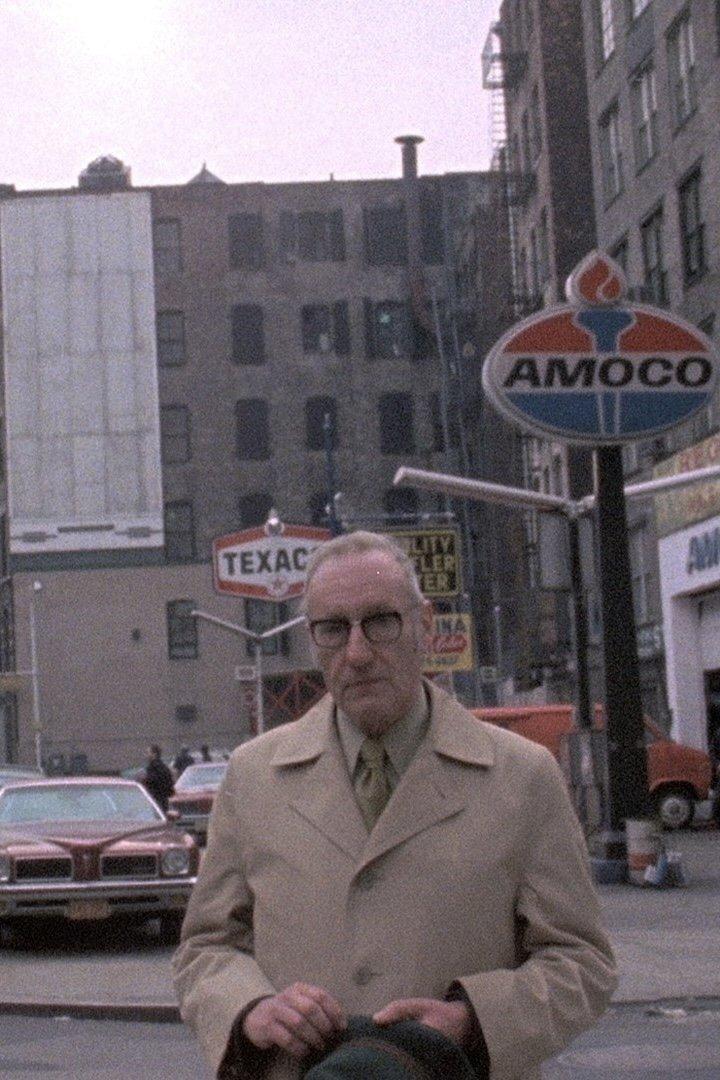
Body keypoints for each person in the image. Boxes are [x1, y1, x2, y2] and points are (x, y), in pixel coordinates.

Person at [173, 531, 617, 1080]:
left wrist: (475, 1020)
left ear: (425, 625)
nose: (357, 653)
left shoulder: (522, 776)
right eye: (333, 629)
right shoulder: (253, 778)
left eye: (381, 622)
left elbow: (582, 962)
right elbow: (205, 949)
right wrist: (249, 1010)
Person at [143, 744, 174, 811]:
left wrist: (145, 780)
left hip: (156, 798)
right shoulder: (164, 766)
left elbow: (152, 781)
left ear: (154, 754)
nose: (146, 755)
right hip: (164, 798)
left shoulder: (154, 767)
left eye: (148, 752)